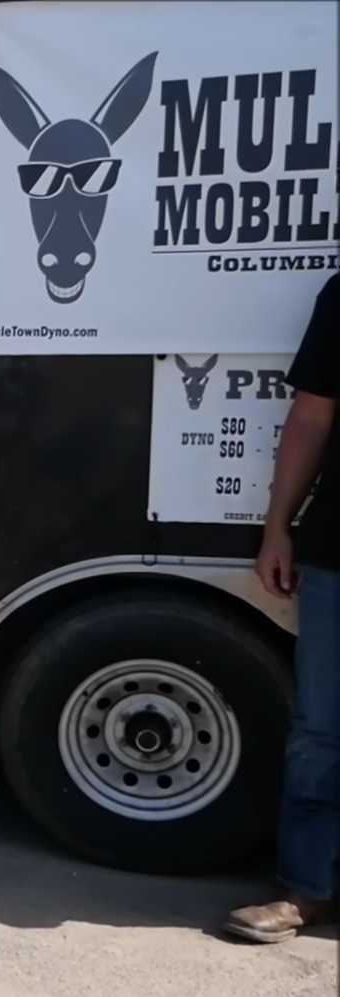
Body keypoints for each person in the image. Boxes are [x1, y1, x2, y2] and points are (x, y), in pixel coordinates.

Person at [227, 271, 338, 944]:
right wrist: (277, 526)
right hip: (338, 550)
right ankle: (307, 891)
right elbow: (312, 414)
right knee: (321, 732)